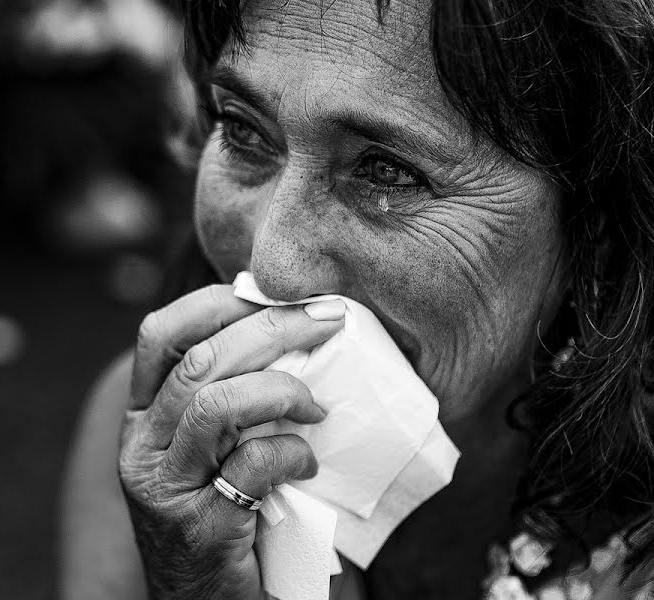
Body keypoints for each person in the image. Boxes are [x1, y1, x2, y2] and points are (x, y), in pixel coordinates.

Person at [58, 0, 654, 598]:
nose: (273, 264)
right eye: (242, 129)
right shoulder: (162, 442)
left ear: (596, 232)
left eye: (387, 171)